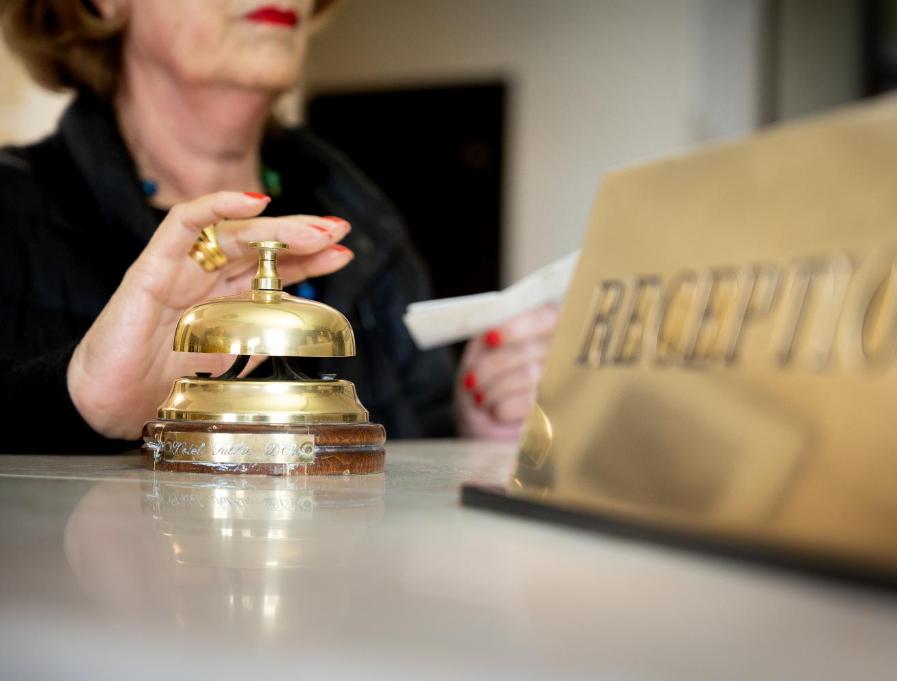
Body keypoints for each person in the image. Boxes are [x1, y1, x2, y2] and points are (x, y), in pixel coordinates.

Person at [0, 0, 558, 452]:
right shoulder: (11, 211)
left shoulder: (368, 230)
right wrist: (77, 400)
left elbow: (414, 487)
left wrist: (475, 436)